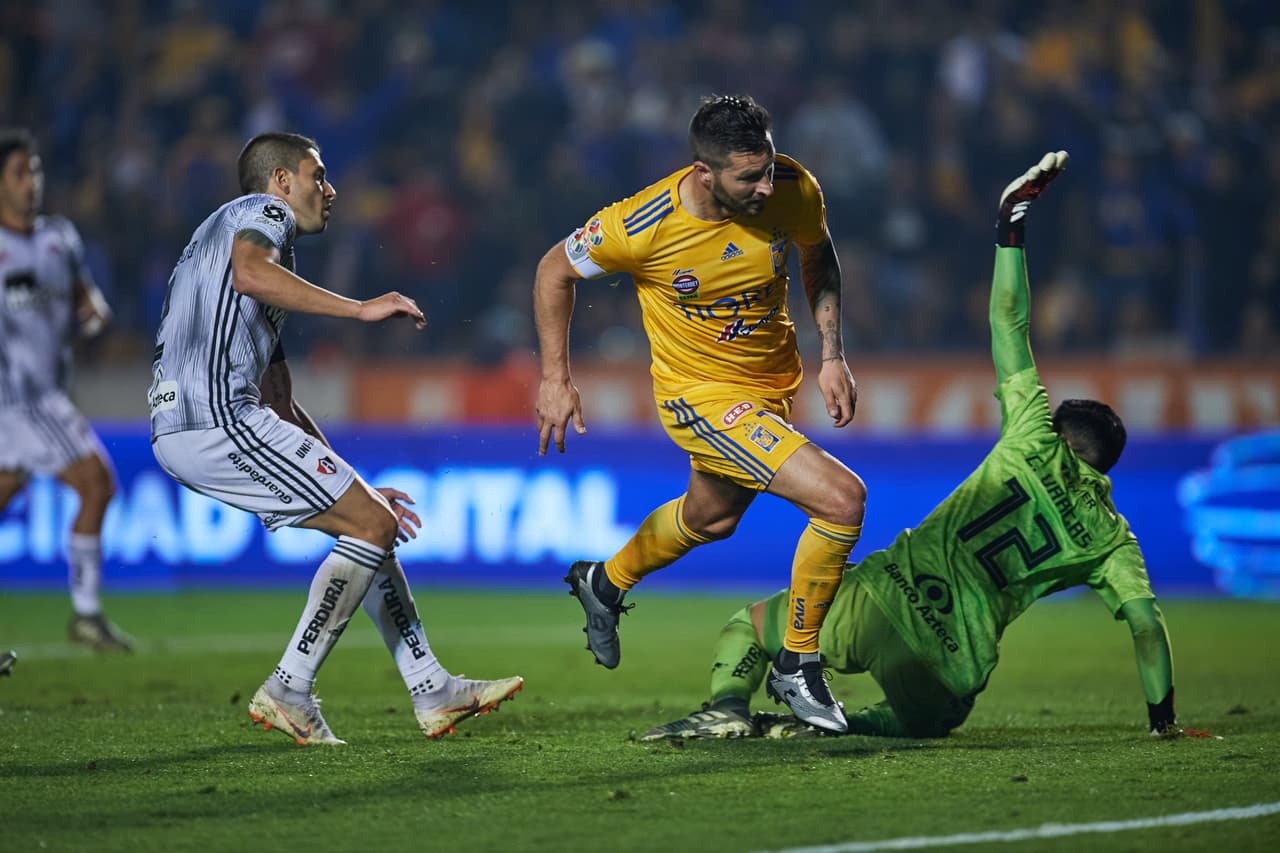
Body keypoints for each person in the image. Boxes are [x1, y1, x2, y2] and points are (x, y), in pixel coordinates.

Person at [641, 151, 1195, 743]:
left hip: (885, 601)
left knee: (748, 629)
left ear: (1061, 432)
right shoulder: (1112, 536)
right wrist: (1162, 722)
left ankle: (728, 707)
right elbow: (1144, 625)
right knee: (926, 720)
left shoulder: (1034, 431)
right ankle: (846, 725)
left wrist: (1011, 229)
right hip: (953, 668)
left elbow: (1008, 322)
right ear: (1106, 468)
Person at [148, 131, 522, 744]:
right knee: (369, 526)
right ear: (281, 182)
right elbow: (250, 272)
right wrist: (362, 309)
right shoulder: (257, 218)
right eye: (317, 175)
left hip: (198, 418)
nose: (331, 189)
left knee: (369, 525)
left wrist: (359, 488)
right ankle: (289, 687)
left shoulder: (248, 262)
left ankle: (431, 688)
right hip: (213, 415)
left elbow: (278, 399)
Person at [534, 95, 867, 733]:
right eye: (750, 178)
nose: (766, 187)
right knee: (841, 501)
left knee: (709, 519)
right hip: (700, 397)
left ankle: (604, 582)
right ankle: (797, 662)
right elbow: (554, 270)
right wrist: (555, 377)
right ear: (703, 173)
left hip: (770, 385)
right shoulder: (640, 225)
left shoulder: (792, 186)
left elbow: (817, 253)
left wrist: (833, 354)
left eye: (768, 168)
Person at [0, 128, 132, 652]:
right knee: (97, 484)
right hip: (23, 398)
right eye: (18, 173)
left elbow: (87, 300)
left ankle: (86, 615)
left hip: (45, 393)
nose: (31, 182)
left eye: (34, 170)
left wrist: (94, 314)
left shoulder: (61, 237)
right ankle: (85, 614)